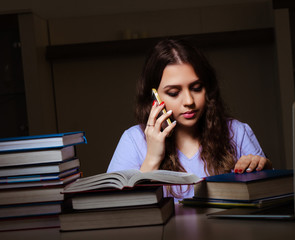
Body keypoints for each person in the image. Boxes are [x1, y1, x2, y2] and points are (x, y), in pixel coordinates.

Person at [107, 38, 272, 200]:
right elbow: (116, 213)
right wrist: (152, 159)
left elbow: (271, 200)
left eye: (196, 88)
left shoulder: (237, 132)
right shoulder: (133, 141)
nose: (189, 101)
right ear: (154, 97)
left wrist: (265, 172)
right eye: (174, 92)